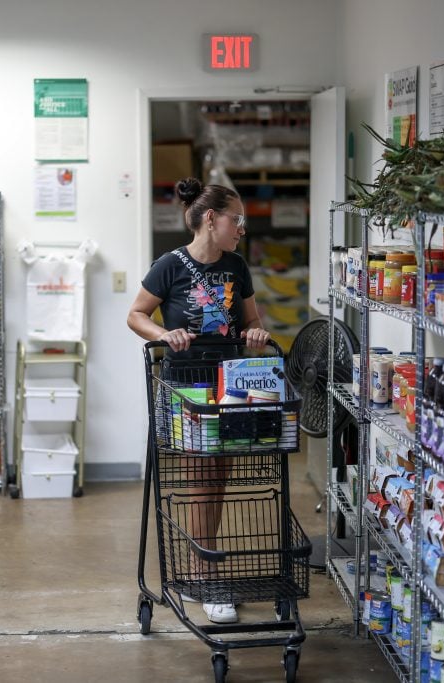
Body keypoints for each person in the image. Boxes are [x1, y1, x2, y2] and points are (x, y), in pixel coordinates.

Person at [127, 177, 270, 625]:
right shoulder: (169, 265)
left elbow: (251, 321)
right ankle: (202, 572)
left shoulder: (237, 266)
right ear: (211, 219)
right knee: (199, 477)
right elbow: (135, 315)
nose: (241, 228)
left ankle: (201, 566)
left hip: (230, 383)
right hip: (186, 384)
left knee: (219, 478)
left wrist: (256, 334)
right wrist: (165, 334)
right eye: (237, 219)